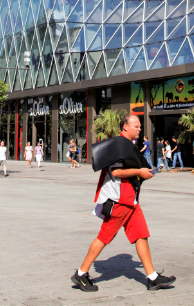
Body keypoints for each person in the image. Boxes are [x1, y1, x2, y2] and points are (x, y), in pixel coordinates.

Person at [71, 115, 175, 293]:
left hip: (131, 200)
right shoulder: (118, 145)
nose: (139, 129)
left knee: (141, 235)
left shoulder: (128, 145)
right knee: (104, 237)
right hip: (119, 201)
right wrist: (139, 172)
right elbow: (116, 172)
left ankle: (152, 278)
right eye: (136, 126)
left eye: (140, 126)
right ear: (125, 127)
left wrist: (143, 172)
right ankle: (81, 273)